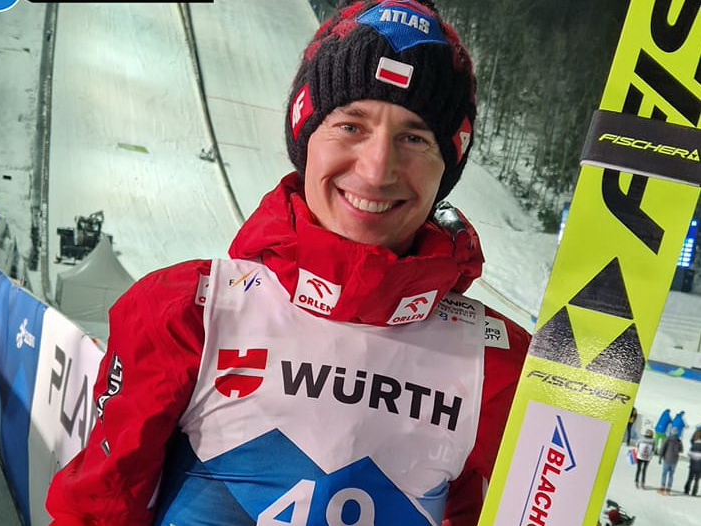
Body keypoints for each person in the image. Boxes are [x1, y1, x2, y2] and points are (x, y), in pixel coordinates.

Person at [45, 1, 531, 525]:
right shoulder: (187, 312)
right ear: (306, 137)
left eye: (414, 138)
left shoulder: (498, 362)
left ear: (448, 165)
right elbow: (95, 511)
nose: (376, 170)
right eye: (351, 126)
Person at [658, 427, 683, 495]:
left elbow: (663, 448)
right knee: (671, 475)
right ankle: (668, 488)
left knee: (664, 474)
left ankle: (662, 487)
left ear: (671, 432)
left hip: (667, 459)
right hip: (674, 460)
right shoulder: (679, 440)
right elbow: (681, 450)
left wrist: (660, 458)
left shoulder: (668, 439)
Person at [683, 430, 701, 496]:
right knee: (697, 480)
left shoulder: (694, 445)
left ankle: (686, 490)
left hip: (693, 464)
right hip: (700, 465)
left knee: (690, 478)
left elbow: (689, 454)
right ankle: (694, 492)